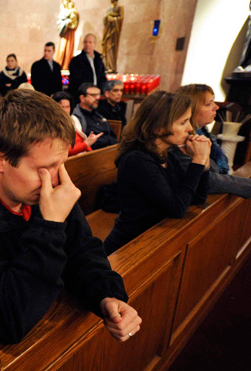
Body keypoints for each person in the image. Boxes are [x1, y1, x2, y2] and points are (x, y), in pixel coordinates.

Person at [0, 89, 141, 343]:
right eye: (45, 168)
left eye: (60, 164)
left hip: (44, 330)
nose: (55, 179)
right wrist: (49, 226)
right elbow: (7, 319)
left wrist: (107, 296)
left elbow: (83, 251)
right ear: (0, 160)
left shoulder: (41, 189)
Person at [104, 91, 211, 255]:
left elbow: (197, 198)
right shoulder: (137, 161)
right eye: (183, 122)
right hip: (129, 246)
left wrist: (204, 163)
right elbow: (177, 208)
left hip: (154, 238)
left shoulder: (167, 153)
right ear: (159, 128)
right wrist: (197, 161)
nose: (190, 128)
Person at [171, 84, 251, 198]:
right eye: (208, 104)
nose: (216, 107)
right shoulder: (183, 140)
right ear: (191, 109)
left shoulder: (203, 133)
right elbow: (207, 179)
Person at [53, 91, 101, 156]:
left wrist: (90, 152)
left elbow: (82, 141)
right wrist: (86, 144)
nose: (65, 111)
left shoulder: (73, 119)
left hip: (81, 157)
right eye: (62, 107)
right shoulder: (52, 125)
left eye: (67, 107)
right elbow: (63, 152)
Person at [72, 83, 117, 150]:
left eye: (98, 95)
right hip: (89, 155)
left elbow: (112, 136)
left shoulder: (99, 115)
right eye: (93, 95)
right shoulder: (76, 117)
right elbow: (83, 141)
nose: (97, 98)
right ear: (82, 98)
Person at [68, 34, 107, 98]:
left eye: (90, 42)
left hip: (98, 94)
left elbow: (102, 77)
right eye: (85, 42)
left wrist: (101, 90)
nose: (87, 44)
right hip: (83, 95)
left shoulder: (98, 59)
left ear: (94, 44)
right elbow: (77, 80)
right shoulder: (76, 61)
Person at [55, 0, 79, 70]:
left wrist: (71, 22)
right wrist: (67, 22)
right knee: (62, 49)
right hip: (64, 33)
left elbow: (75, 21)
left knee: (69, 49)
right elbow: (60, 21)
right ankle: (59, 65)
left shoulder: (73, 11)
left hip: (70, 33)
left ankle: (66, 65)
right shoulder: (63, 11)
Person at [101, 0, 124, 73]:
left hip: (113, 32)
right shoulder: (109, 9)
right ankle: (106, 66)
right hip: (107, 30)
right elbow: (105, 20)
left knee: (111, 48)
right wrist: (107, 19)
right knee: (106, 47)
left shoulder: (120, 7)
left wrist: (113, 19)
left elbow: (120, 19)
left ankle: (111, 67)